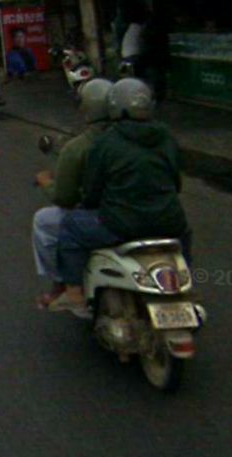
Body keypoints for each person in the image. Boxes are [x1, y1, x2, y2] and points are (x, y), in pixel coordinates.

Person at [54, 78, 190, 316]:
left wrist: (89, 206)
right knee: (185, 234)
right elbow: (176, 183)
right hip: (170, 223)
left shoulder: (106, 142)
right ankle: (183, 284)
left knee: (70, 225)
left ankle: (74, 292)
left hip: (122, 224)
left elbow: (92, 191)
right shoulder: (167, 137)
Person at [32, 79, 114, 311]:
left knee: (48, 222)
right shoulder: (152, 140)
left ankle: (65, 285)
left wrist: (46, 182)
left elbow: (65, 197)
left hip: (112, 217)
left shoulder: (81, 147)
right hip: (156, 215)